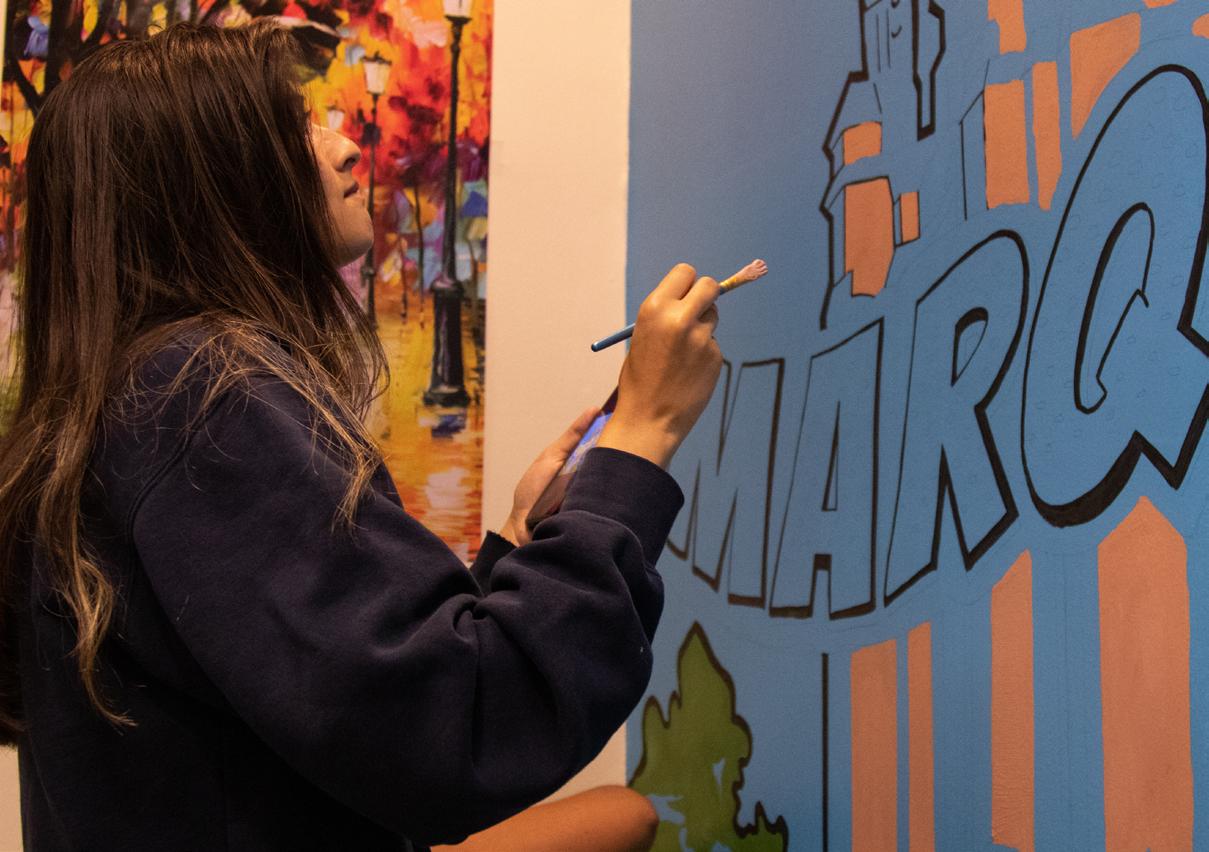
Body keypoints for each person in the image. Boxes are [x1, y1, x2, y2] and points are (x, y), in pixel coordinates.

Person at [0, 21, 723, 852]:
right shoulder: (199, 401)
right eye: (296, 126)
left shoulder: (124, 403)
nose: (346, 146)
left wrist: (513, 545)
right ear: (214, 180)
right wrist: (638, 437)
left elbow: (340, 700)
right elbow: (469, 726)